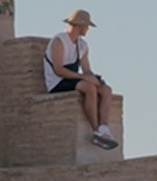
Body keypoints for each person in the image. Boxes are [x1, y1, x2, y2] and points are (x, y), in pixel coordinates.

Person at [46, 8, 120, 149]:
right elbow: (58, 70)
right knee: (89, 88)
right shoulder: (59, 41)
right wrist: (84, 78)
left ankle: (104, 128)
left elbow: (86, 69)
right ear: (80, 25)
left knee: (106, 90)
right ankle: (96, 130)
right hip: (57, 81)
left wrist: (93, 78)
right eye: (86, 26)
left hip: (73, 78)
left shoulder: (82, 45)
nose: (87, 29)